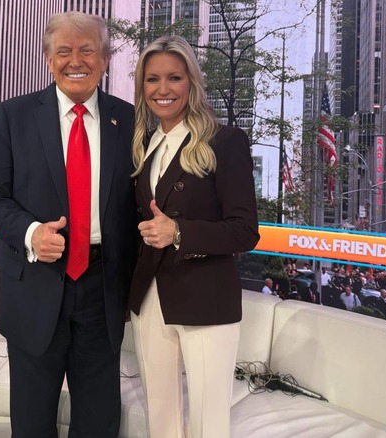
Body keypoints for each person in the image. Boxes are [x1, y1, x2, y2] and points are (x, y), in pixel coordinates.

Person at [0, 12, 137, 437]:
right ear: (48, 59)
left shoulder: (131, 121)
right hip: (33, 288)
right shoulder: (13, 116)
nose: (75, 60)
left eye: (87, 50)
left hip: (103, 292)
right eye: (63, 50)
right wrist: (31, 233)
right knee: (31, 423)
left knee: (99, 423)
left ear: (104, 60)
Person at [127, 36, 260, 437]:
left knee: (208, 420)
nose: (162, 89)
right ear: (142, 87)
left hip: (206, 297)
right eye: (152, 79)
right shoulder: (145, 145)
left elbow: (244, 231)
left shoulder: (225, 141)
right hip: (150, 297)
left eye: (174, 77)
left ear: (192, 83)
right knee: (161, 418)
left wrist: (179, 231)